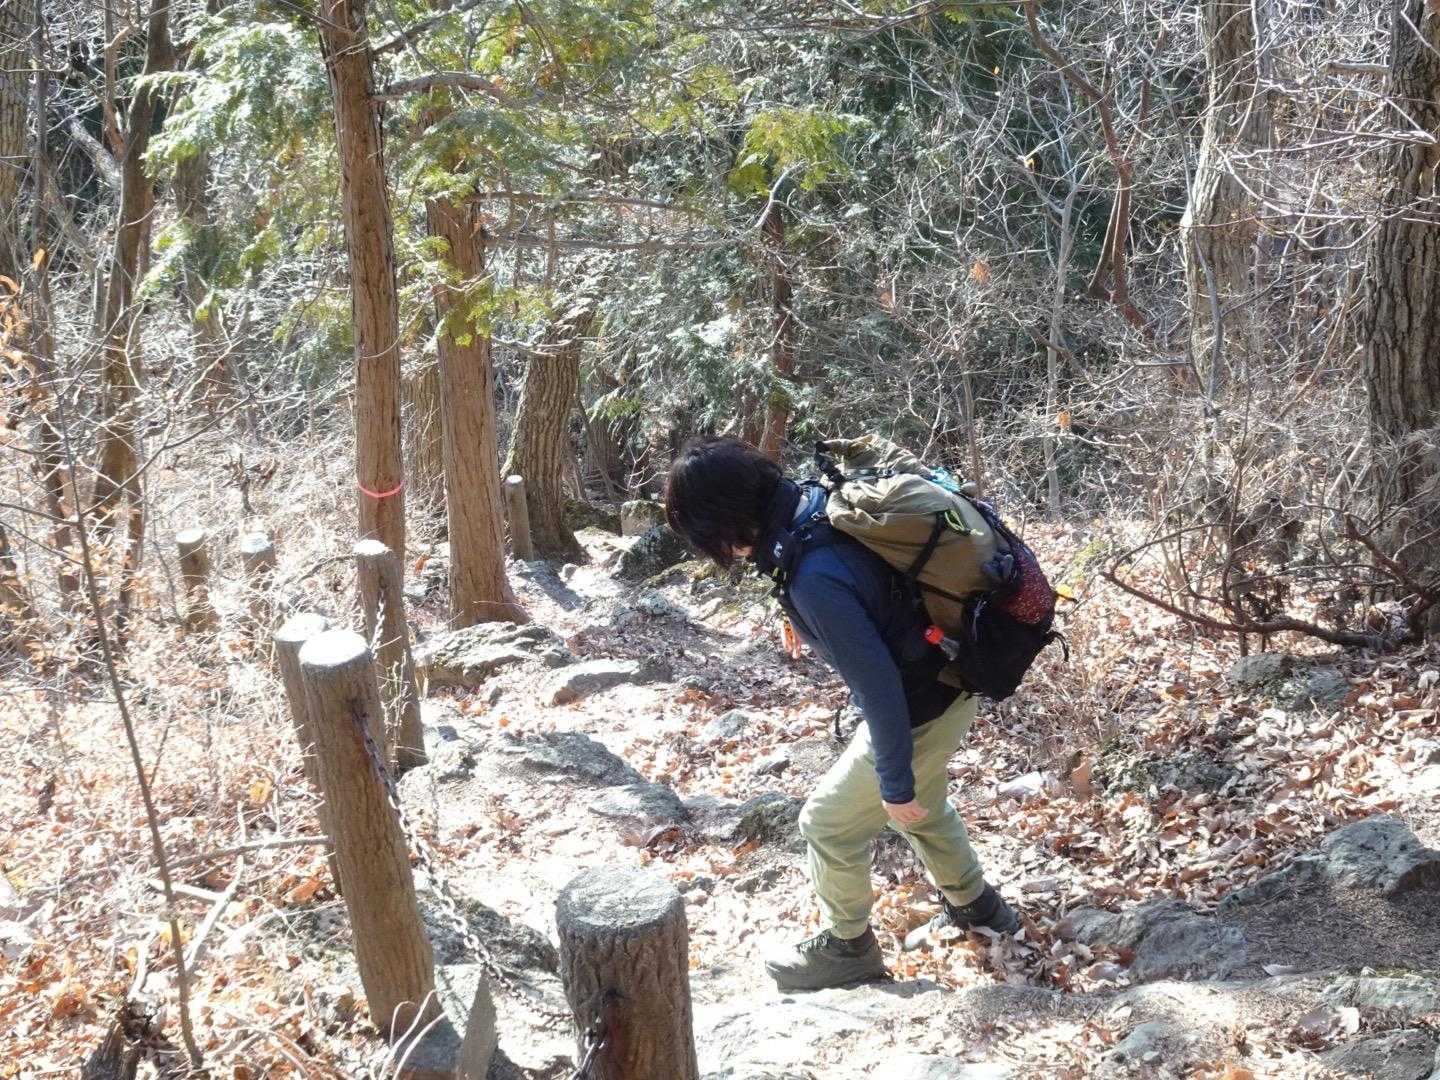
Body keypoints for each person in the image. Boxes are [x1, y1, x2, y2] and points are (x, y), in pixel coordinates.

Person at [665, 435, 1019, 992]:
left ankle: (848, 946)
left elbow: (880, 686)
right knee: (923, 808)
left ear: (726, 522)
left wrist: (894, 779)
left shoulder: (812, 575)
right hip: (951, 680)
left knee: (827, 824)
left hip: (919, 705)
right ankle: (983, 911)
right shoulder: (813, 504)